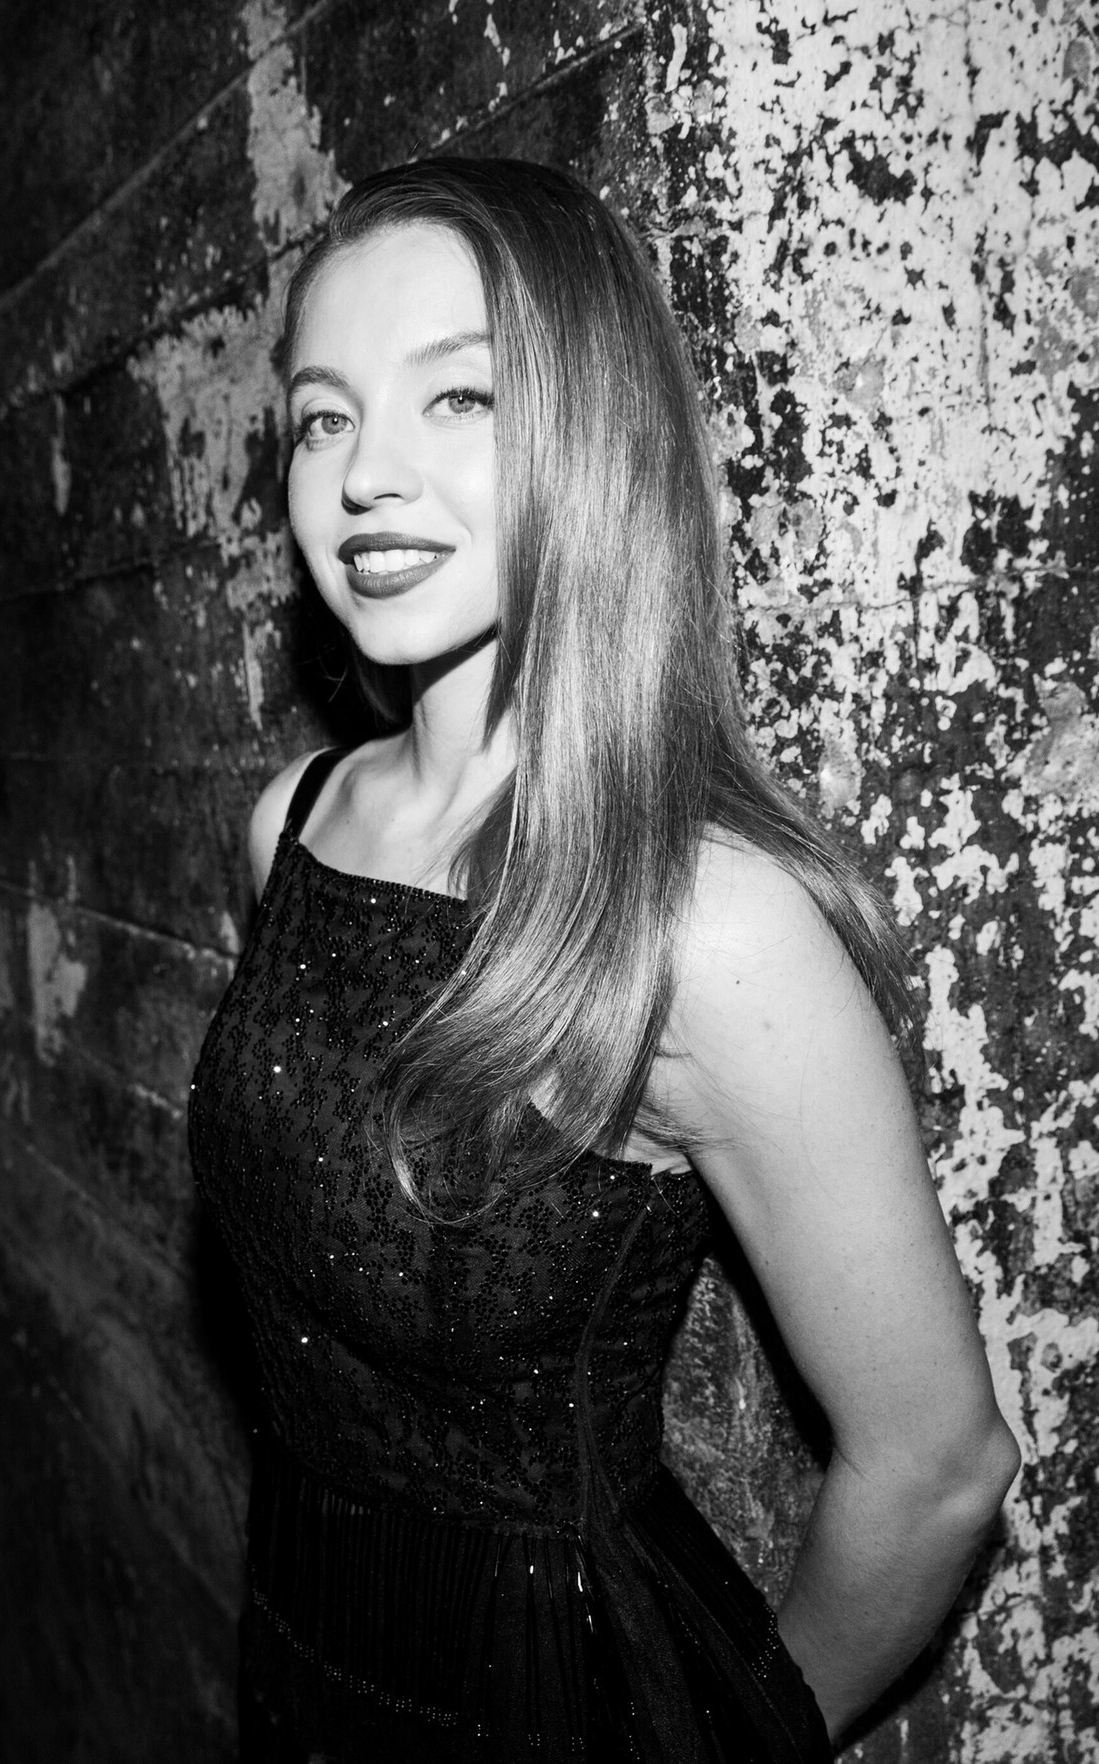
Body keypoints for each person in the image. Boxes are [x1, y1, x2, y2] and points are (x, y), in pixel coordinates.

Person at [185, 157, 1019, 1763]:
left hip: (557, 1694)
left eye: (458, 398)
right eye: (322, 419)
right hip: (297, 1641)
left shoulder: (698, 919)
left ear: (592, 430)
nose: (365, 477)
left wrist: (726, 1742)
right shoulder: (291, 827)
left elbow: (937, 1465)